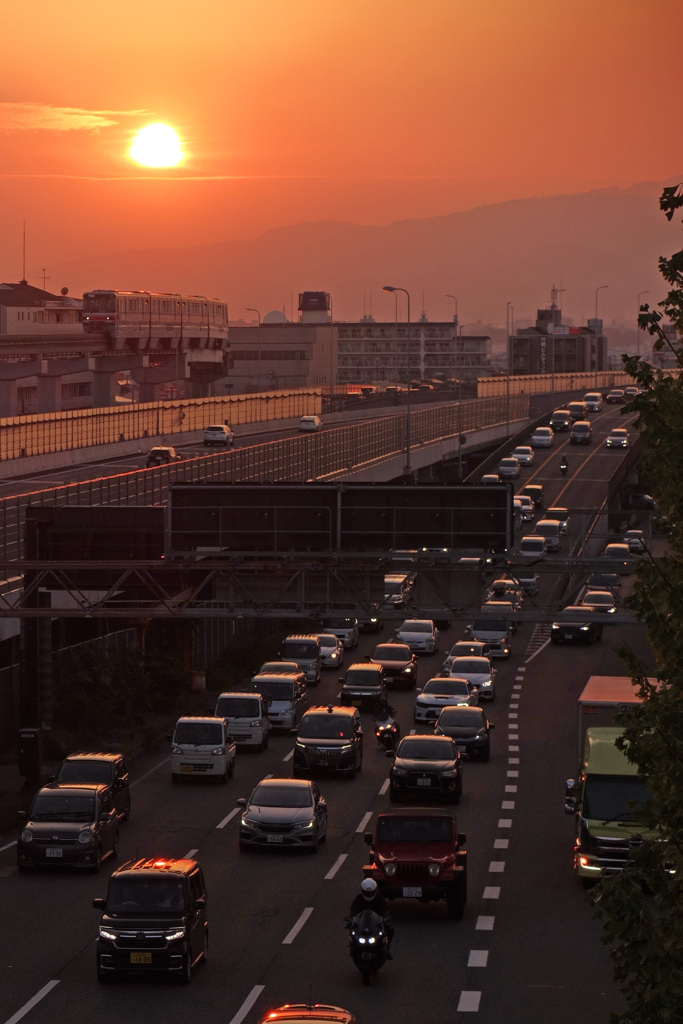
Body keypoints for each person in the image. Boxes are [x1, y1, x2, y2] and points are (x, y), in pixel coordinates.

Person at [347, 878, 394, 957]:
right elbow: (353, 911)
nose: (368, 895)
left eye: (370, 892)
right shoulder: (358, 899)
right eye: (366, 893)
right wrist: (351, 920)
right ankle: (352, 948)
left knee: (390, 929)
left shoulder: (380, 899)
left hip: (376, 923)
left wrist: (386, 918)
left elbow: (385, 910)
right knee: (352, 930)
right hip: (362, 923)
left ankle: (387, 947)